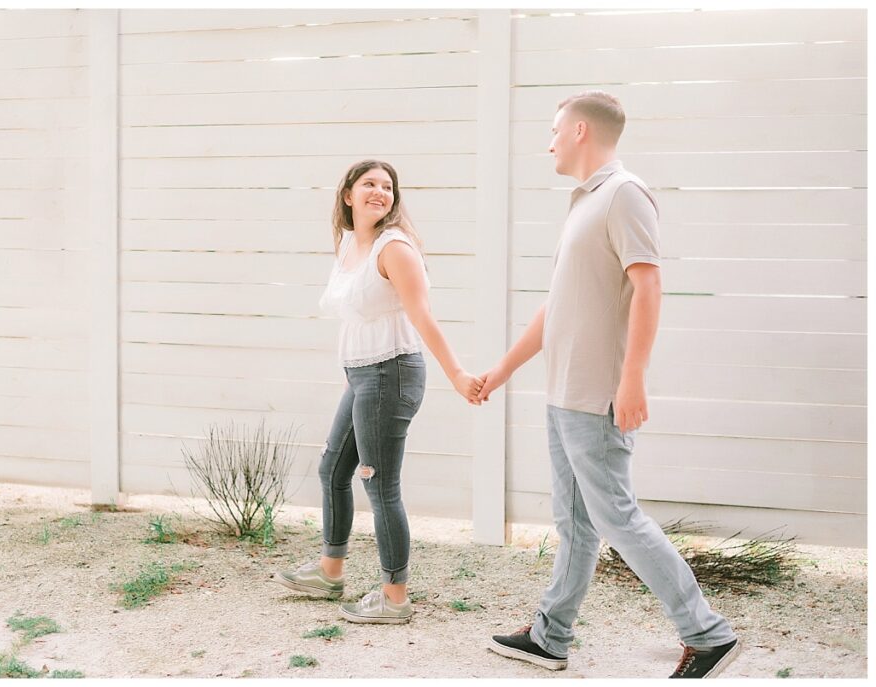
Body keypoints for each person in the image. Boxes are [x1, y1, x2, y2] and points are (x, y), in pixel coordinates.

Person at [478, 92, 740, 678]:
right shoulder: (583, 203)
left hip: (598, 395)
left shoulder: (624, 195)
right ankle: (551, 635)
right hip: (563, 392)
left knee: (617, 517)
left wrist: (633, 379)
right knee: (575, 522)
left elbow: (648, 286)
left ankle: (707, 633)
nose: (547, 142)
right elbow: (556, 307)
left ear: (577, 131)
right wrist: (501, 371)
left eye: (552, 131)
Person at [273, 160, 485, 624]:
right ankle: (330, 572)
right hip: (362, 375)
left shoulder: (395, 248)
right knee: (333, 469)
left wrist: (457, 375)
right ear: (347, 194)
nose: (379, 192)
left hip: (391, 373)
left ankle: (394, 598)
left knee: (379, 484)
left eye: (387, 186)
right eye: (369, 184)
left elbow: (423, 316)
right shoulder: (351, 242)